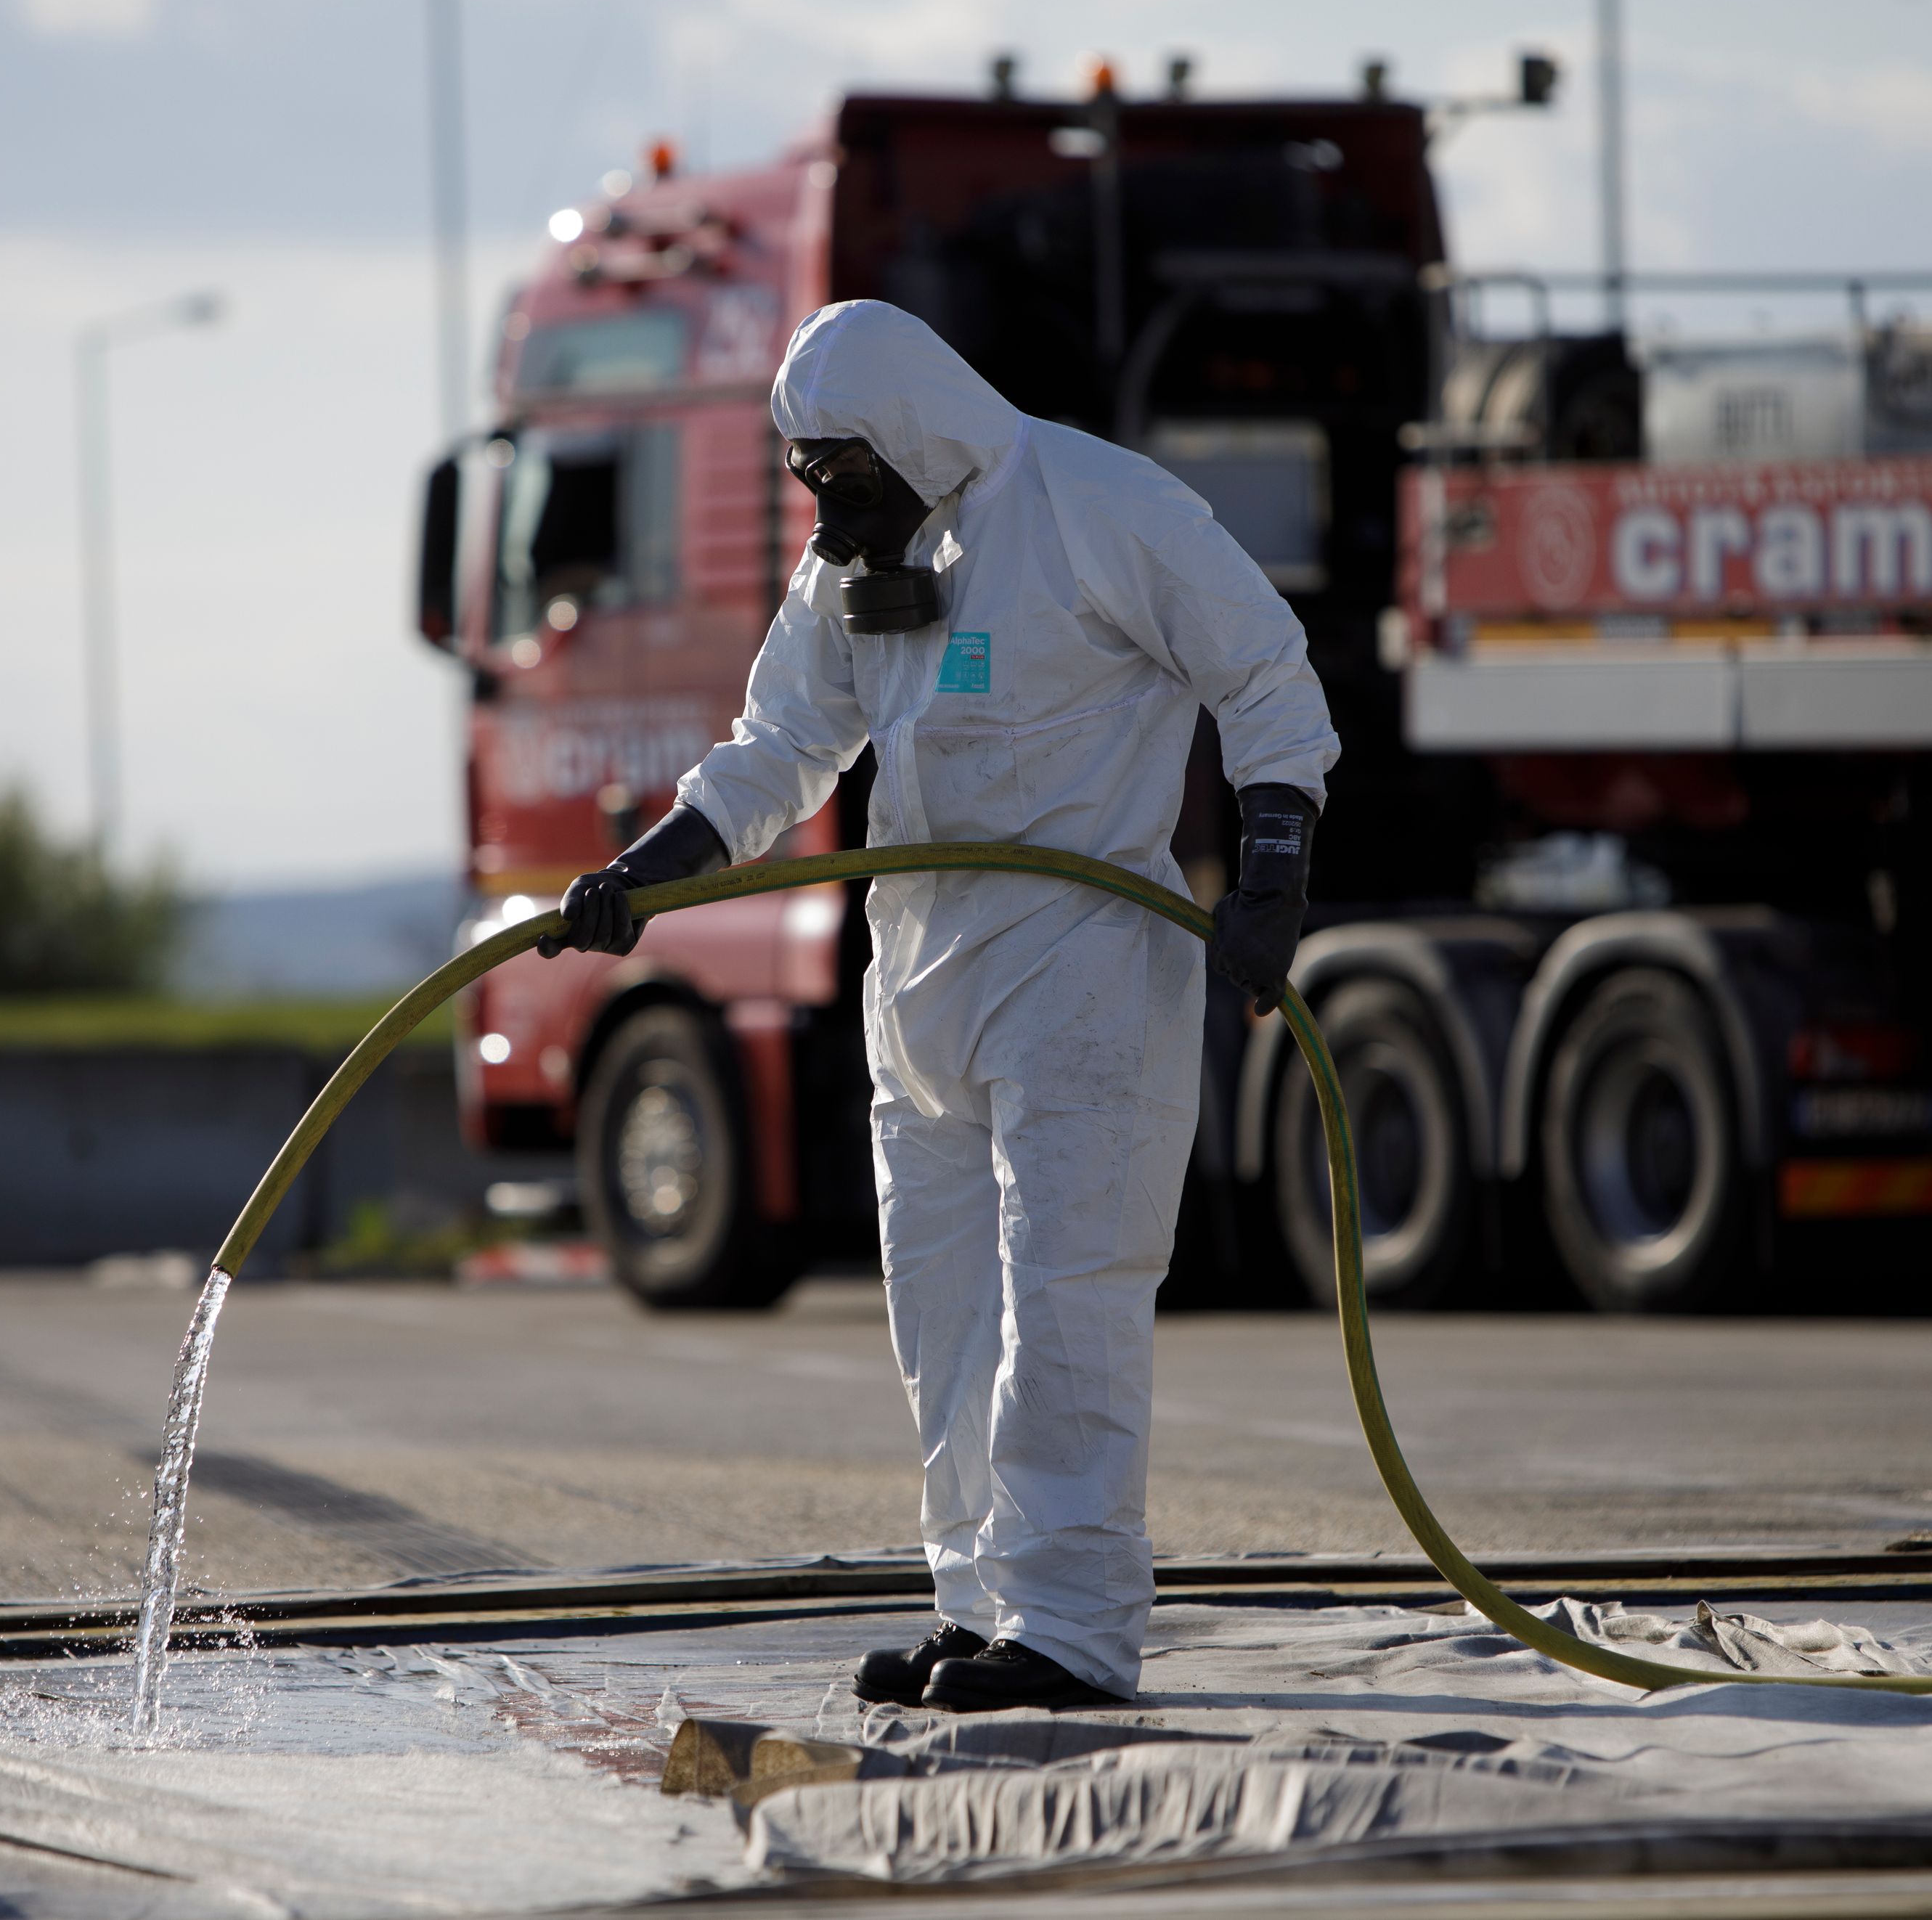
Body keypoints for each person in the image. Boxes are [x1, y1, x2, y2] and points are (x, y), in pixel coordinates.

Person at [543, 300, 1339, 1711]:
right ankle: (981, 1607)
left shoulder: (1092, 503)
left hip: (1080, 975)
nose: (830, 512)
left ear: (922, 434)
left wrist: (1269, 876)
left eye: (846, 477)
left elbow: (1261, 672)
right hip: (920, 985)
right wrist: (641, 873)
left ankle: (1074, 1630)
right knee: (944, 1315)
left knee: (1064, 1304)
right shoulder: (852, 561)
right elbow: (779, 746)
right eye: (811, 481)